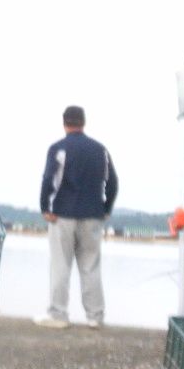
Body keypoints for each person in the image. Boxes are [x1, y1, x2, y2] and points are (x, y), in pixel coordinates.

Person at [36, 106, 118, 330]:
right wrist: (106, 208)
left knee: (60, 265)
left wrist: (45, 206)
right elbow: (112, 183)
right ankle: (95, 317)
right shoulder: (100, 150)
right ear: (83, 122)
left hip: (63, 214)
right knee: (90, 266)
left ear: (64, 123)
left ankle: (58, 314)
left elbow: (49, 179)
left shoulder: (58, 148)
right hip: (92, 214)